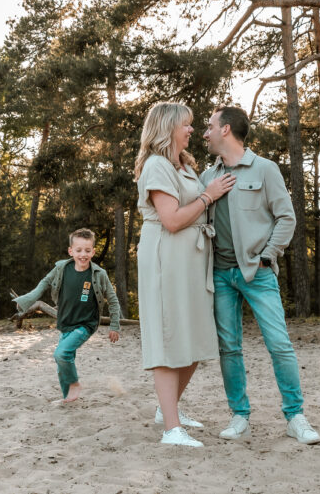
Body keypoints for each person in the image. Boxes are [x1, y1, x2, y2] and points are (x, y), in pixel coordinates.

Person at [201, 105, 320, 445]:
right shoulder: (207, 177)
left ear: (226, 130)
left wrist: (268, 256)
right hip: (220, 275)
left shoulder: (265, 169)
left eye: (210, 127)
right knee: (229, 348)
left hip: (259, 272)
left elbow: (287, 218)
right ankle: (240, 417)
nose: (205, 133)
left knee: (279, 344)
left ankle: (295, 416)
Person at [135, 101, 236, 447]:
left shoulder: (184, 165)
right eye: (187, 124)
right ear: (167, 127)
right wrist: (208, 197)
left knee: (195, 336)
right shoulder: (157, 166)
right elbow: (173, 219)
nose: (192, 130)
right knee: (168, 337)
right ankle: (171, 430)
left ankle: (169, 410)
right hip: (166, 257)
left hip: (192, 261)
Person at [12, 228, 122, 403]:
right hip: (65, 322)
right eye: (78, 250)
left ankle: (74, 384)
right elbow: (44, 283)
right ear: (71, 251)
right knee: (63, 362)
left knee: (61, 354)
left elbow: (113, 300)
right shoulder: (62, 268)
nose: (83, 255)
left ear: (93, 251)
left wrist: (114, 325)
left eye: (87, 250)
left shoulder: (99, 274)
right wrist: (26, 300)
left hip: (86, 324)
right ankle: (68, 398)